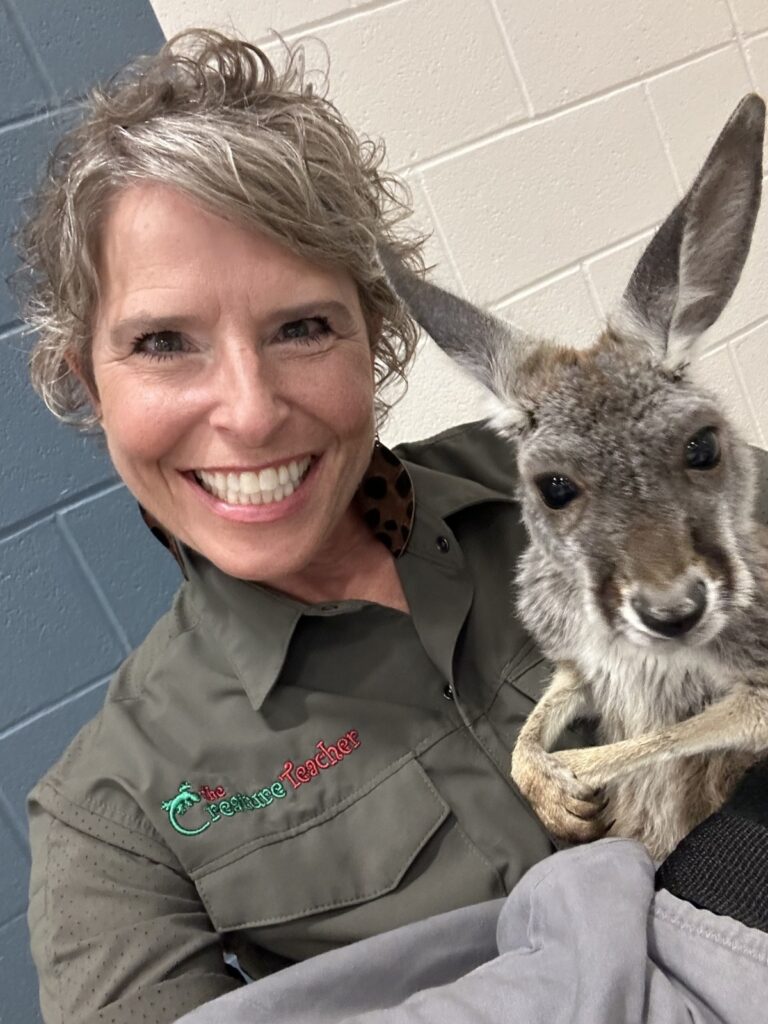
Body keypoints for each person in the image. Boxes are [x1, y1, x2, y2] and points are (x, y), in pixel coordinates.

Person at [16, 28, 768, 1024]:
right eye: (163, 343)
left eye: (301, 327)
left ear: (375, 340)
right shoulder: (114, 814)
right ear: (87, 384)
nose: (247, 410)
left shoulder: (586, 468)